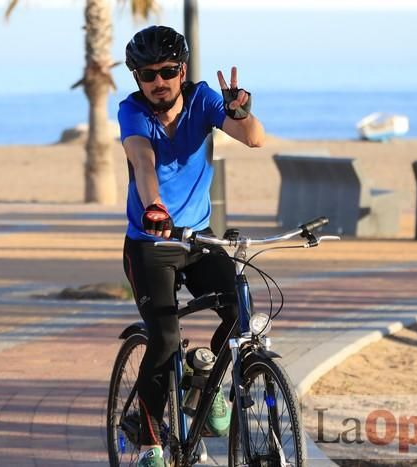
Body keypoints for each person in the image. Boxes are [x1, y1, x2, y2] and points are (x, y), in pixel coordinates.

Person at [118, 25, 265, 467]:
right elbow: (143, 161)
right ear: (137, 79)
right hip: (150, 242)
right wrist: (155, 208)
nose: (157, 82)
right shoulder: (133, 111)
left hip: (199, 240)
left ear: (181, 70)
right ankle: (148, 442)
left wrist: (239, 112)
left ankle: (208, 385)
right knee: (164, 339)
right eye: (147, 74)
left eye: (166, 71)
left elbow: (254, 138)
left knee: (242, 318)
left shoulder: (203, 99)